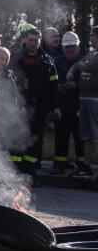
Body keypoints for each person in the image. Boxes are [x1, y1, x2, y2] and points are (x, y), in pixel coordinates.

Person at [13, 26, 60, 183]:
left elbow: (54, 86)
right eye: (30, 40)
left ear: (40, 41)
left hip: (40, 107)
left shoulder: (47, 61)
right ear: (25, 40)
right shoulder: (16, 58)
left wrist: (55, 107)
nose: (33, 43)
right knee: (18, 138)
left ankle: (31, 174)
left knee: (35, 141)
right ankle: (15, 175)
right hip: (20, 106)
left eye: (36, 40)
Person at [52, 31, 86, 175]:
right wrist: (58, 86)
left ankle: (82, 165)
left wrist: (76, 85)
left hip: (80, 105)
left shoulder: (85, 61)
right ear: (63, 47)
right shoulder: (56, 62)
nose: (70, 49)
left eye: (72, 46)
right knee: (61, 136)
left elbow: (92, 83)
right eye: (67, 47)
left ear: (78, 47)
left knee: (80, 137)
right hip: (62, 105)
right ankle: (59, 164)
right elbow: (50, 82)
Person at [66, 26, 98, 178]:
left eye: (93, 35)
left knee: (96, 134)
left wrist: (78, 66)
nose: (91, 38)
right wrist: (72, 70)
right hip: (84, 98)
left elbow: (90, 67)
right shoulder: (91, 53)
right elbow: (79, 64)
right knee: (86, 135)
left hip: (95, 100)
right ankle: (86, 166)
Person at [0, 47, 25, 168]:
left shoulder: (9, 76)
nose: (4, 62)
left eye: (6, 59)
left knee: (2, 147)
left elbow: (14, 97)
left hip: (2, 118)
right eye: (1, 59)